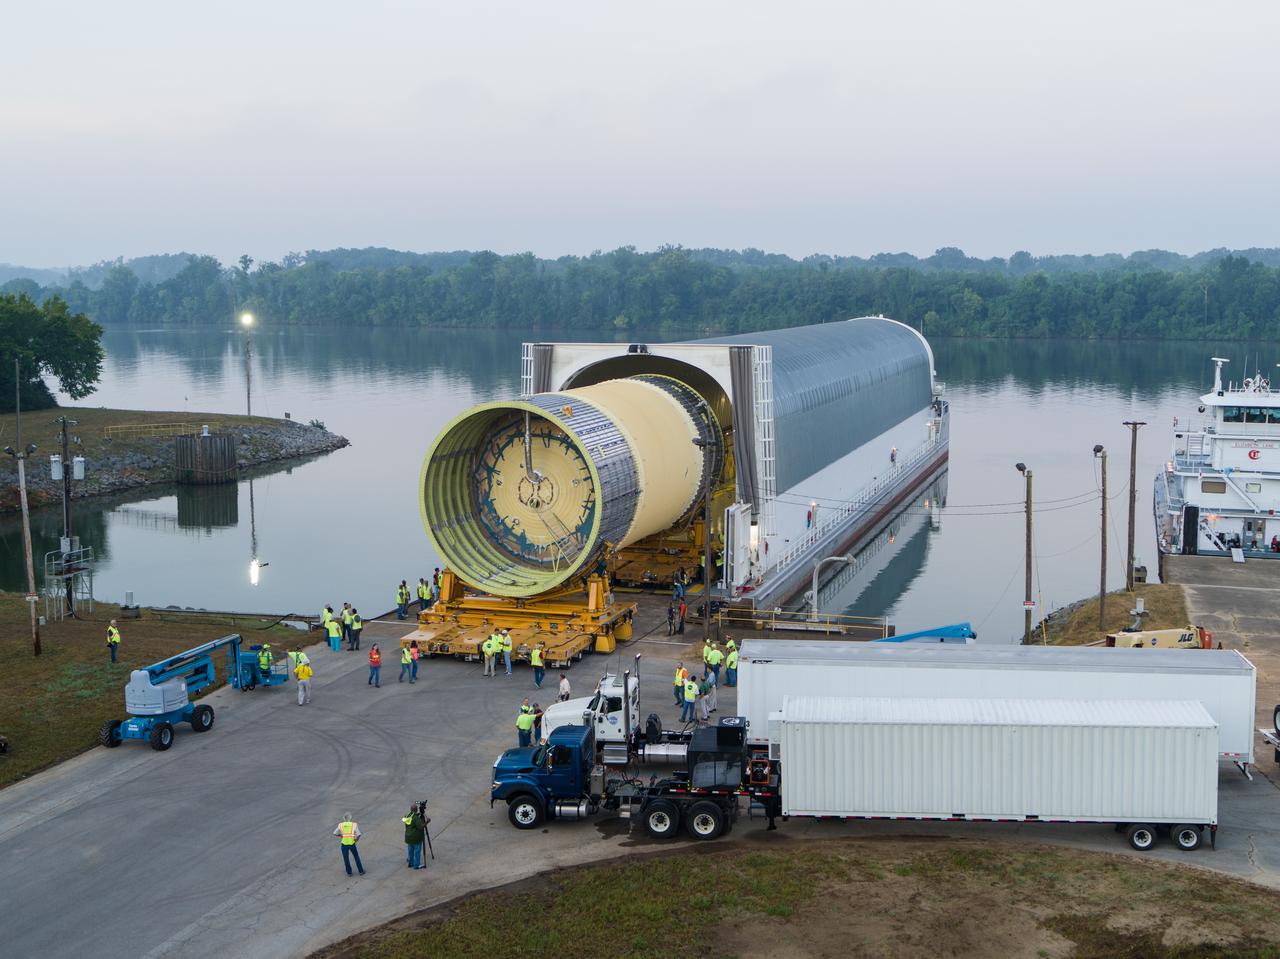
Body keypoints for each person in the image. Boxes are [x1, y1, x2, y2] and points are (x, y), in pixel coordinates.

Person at [402, 804, 427, 870]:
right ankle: (416, 865)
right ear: (416, 810)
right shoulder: (416, 818)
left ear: (411, 810)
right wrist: (427, 822)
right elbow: (421, 827)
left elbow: (406, 823)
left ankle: (410, 862)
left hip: (408, 837)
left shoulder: (407, 815)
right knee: (417, 851)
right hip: (416, 838)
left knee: (410, 850)